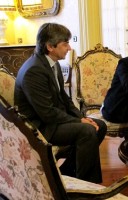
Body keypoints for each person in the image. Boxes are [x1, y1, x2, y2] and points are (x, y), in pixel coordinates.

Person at [14, 23, 107, 184]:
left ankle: (69, 174)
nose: (69, 48)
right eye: (65, 44)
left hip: (50, 121)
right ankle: (85, 185)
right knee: (86, 131)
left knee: (100, 126)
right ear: (50, 46)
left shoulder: (51, 63)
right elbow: (47, 113)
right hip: (39, 127)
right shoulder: (33, 71)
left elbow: (65, 99)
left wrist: (81, 117)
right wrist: (79, 121)